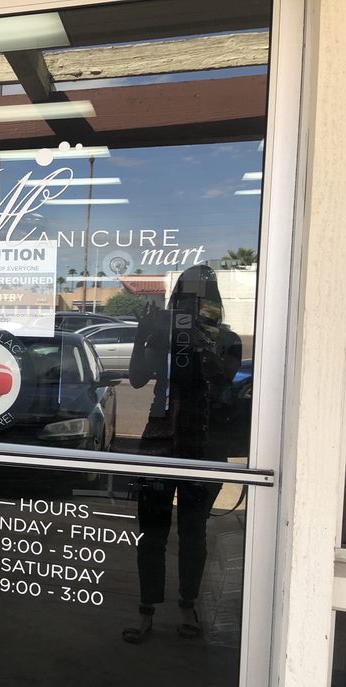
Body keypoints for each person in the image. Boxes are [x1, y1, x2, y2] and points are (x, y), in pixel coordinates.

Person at [121, 265, 242, 644]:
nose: (191, 305)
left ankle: (188, 605)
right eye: (185, 298)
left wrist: (200, 341)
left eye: (199, 299)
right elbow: (136, 378)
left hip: (203, 444)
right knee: (151, 532)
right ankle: (146, 610)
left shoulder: (227, 339)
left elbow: (224, 378)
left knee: (193, 532)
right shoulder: (163, 332)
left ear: (212, 303)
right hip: (160, 441)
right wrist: (144, 336)